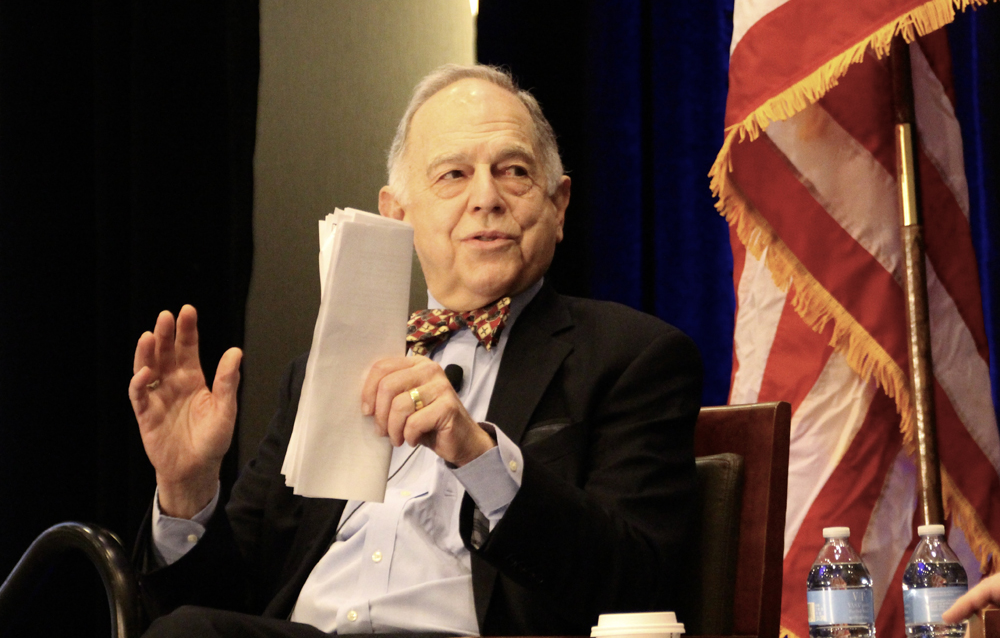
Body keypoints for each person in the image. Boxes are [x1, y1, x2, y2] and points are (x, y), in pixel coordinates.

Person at [129, 64, 703, 637]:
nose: (486, 198)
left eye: (514, 172)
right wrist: (188, 489)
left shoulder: (633, 357)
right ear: (396, 215)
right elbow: (227, 599)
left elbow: (640, 583)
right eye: (453, 174)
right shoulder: (322, 373)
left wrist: (480, 457)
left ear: (558, 205)